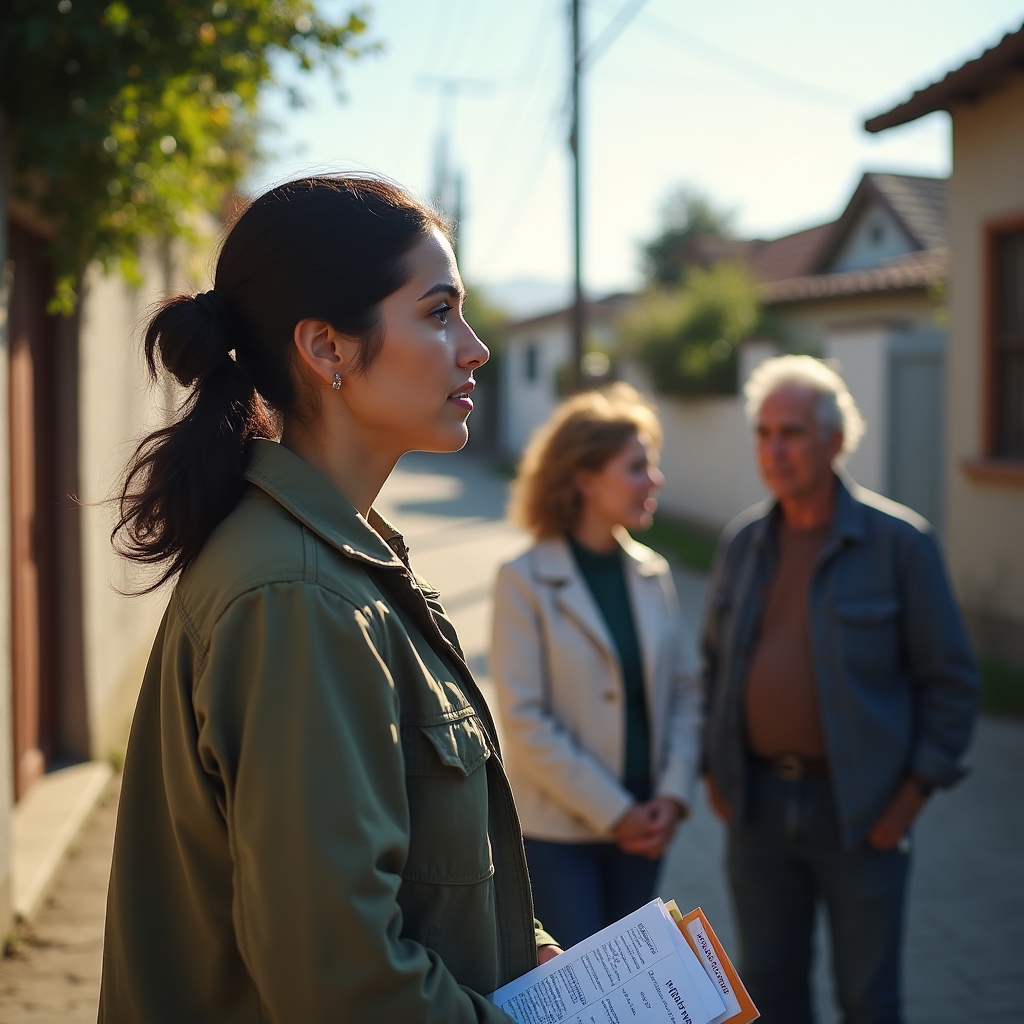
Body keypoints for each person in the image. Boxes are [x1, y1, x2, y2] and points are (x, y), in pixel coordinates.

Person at [99, 176, 560, 1023]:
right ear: (328, 348)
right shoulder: (298, 597)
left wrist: (518, 943)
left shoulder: (338, 561)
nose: (474, 347)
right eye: (437, 312)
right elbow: (341, 983)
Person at [702, 355, 979, 1024]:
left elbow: (952, 682)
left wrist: (910, 797)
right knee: (769, 990)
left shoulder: (900, 544)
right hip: (758, 808)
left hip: (863, 811)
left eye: (791, 432)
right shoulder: (743, 543)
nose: (774, 449)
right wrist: (716, 768)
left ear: (834, 440)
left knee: (868, 999)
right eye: (764, 433)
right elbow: (711, 664)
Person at [490, 384, 703, 950]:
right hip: (558, 834)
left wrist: (673, 797)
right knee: (585, 987)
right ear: (584, 479)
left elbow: (685, 693)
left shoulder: (652, 573)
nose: (654, 480)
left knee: (641, 987)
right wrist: (615, 813)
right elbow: (524, 721)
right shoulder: (523, 579)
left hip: (647, 822)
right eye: (637, 467)